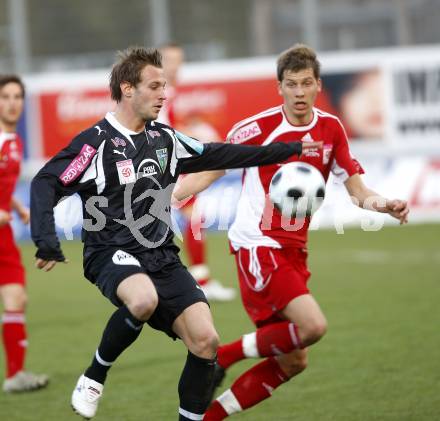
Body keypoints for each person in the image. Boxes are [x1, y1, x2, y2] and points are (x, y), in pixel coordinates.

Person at [29, 46, 320, 420]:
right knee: (142, 299)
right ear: (127, 89)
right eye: (155, 86)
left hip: (161, 255)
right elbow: (46, 183)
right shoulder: (95, 143)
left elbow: (221, 154)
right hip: (109, 251)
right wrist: (45, 240)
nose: (164, 93)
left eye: (165, 86)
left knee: (206, 341)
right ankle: (94, 376)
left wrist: (289, 148)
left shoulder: (165, 138)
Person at [173, 44, 409, 419]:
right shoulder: (257, 129)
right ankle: (225, 356)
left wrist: (386, 205)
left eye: (306, 84)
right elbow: (211, 170)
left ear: (317, 85)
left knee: (294, 361)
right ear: (279, 87)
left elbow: (358, 192)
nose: (299, 92)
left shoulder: (331, 130)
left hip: (295, 251)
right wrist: (167, 198)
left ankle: (206, 417)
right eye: (291, 84)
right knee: (312, 325)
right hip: (258, 244)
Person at [159, 43, 236, 301]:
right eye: (169, 60)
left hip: (163, 163)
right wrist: (198, 135)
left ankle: (191, 280)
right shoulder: (160, 90)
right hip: (162, 165)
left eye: (178, 60)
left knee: (190, 217)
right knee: (192, 217)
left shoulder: (167, 90)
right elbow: (164, 130)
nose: (175, 65)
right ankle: (199, 281)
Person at [0, 75, 49, 393]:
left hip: (3, 235)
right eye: (5, 97)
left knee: (16, 297)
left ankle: (15, 375)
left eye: (18, 96)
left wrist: (15, 206)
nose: (13, 103)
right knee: (15, 297)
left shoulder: (13, 140)